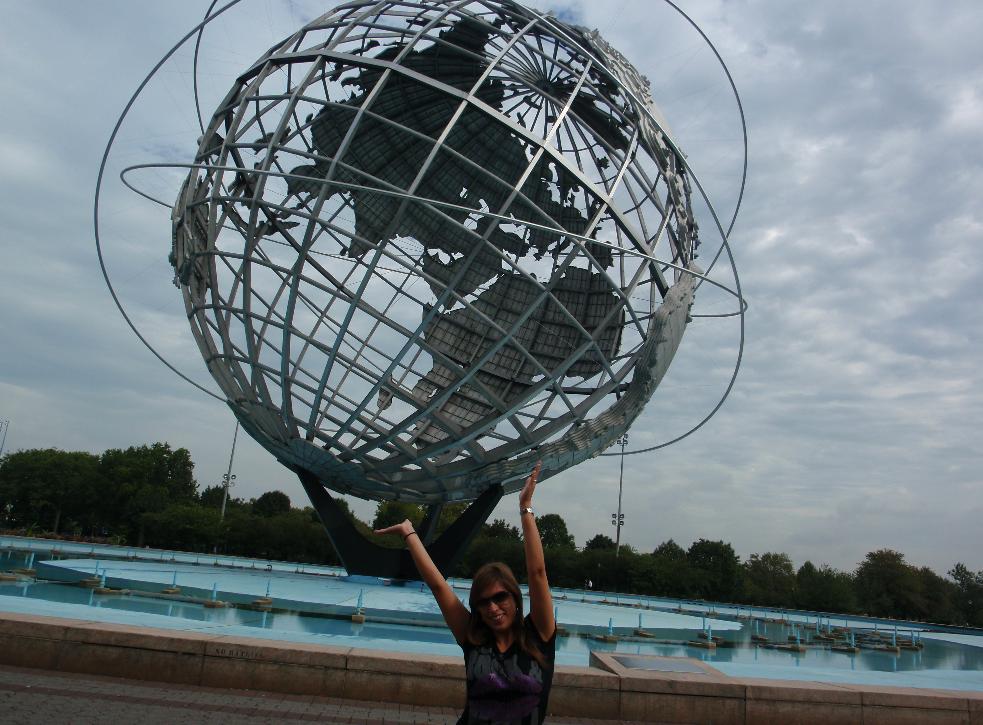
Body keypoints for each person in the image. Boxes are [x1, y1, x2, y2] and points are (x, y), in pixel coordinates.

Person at [374, 462, 555, 724]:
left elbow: (537, 573)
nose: (492, 608)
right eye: (483, 602)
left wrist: (525, 506)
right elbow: (438, 586)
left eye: (500, 597)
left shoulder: (539, 635)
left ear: (515, 598)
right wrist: (409, 534)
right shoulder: (473, 637)